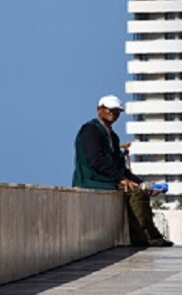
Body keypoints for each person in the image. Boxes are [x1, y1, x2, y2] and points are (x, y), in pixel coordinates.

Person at [72, 95, 172, 247]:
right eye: (109, 109)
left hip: (109, 178)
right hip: (94, 179)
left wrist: (142, 183)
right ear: (99, 110)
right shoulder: (90, 130)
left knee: (140, 190)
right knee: (135, 193)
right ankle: (144, 237)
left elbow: (120, 167)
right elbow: (96, 161)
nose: (113, 113)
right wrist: (121, 179)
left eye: (116, 111)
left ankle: (151, 234)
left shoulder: (112, 136)